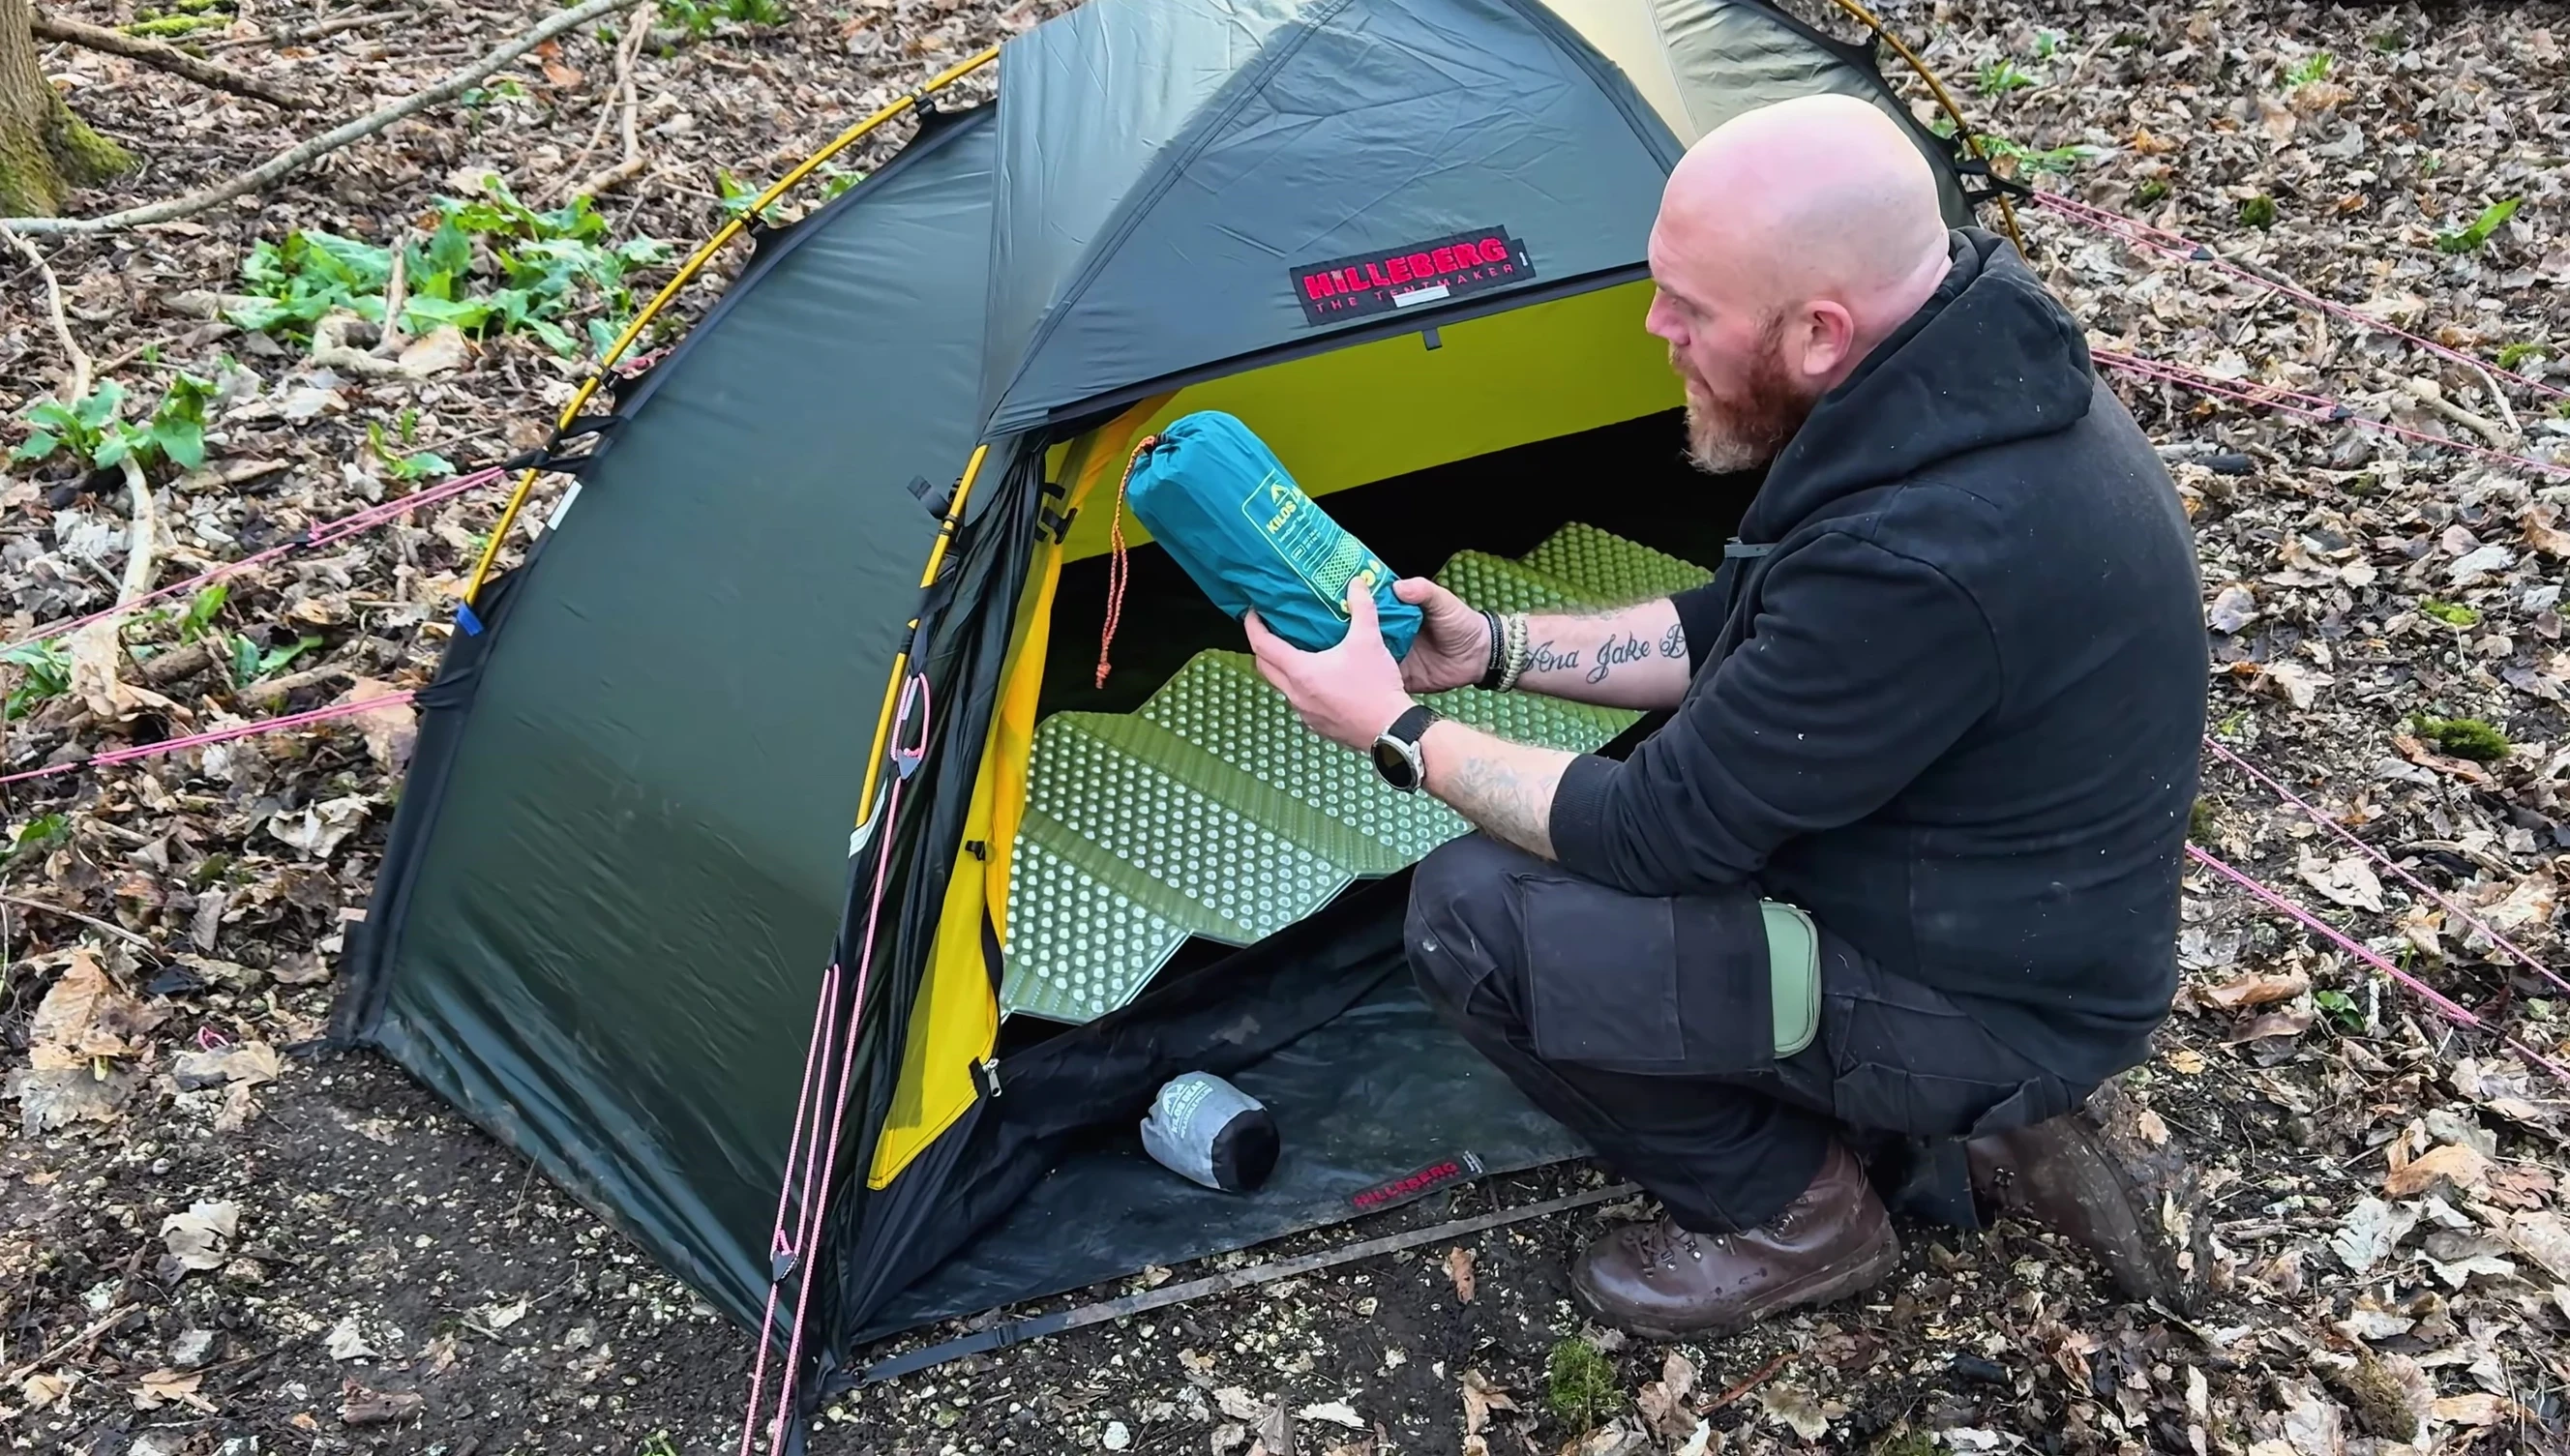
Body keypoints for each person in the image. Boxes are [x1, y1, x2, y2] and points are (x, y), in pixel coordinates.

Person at [1241, 92, 2212, 1338]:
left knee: (1473, 917)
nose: (1656, 328)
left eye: (1688, 307)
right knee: (1578, 843)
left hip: (1985, 996)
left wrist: (1394, 729)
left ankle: (1797, 1215)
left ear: (1818, 330)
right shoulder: (1962, 391)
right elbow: (1737, 628)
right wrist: (1493, 653)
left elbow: (1655, 833)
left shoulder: (1924, 553)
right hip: (2001, 915)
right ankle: (1907, 1102)